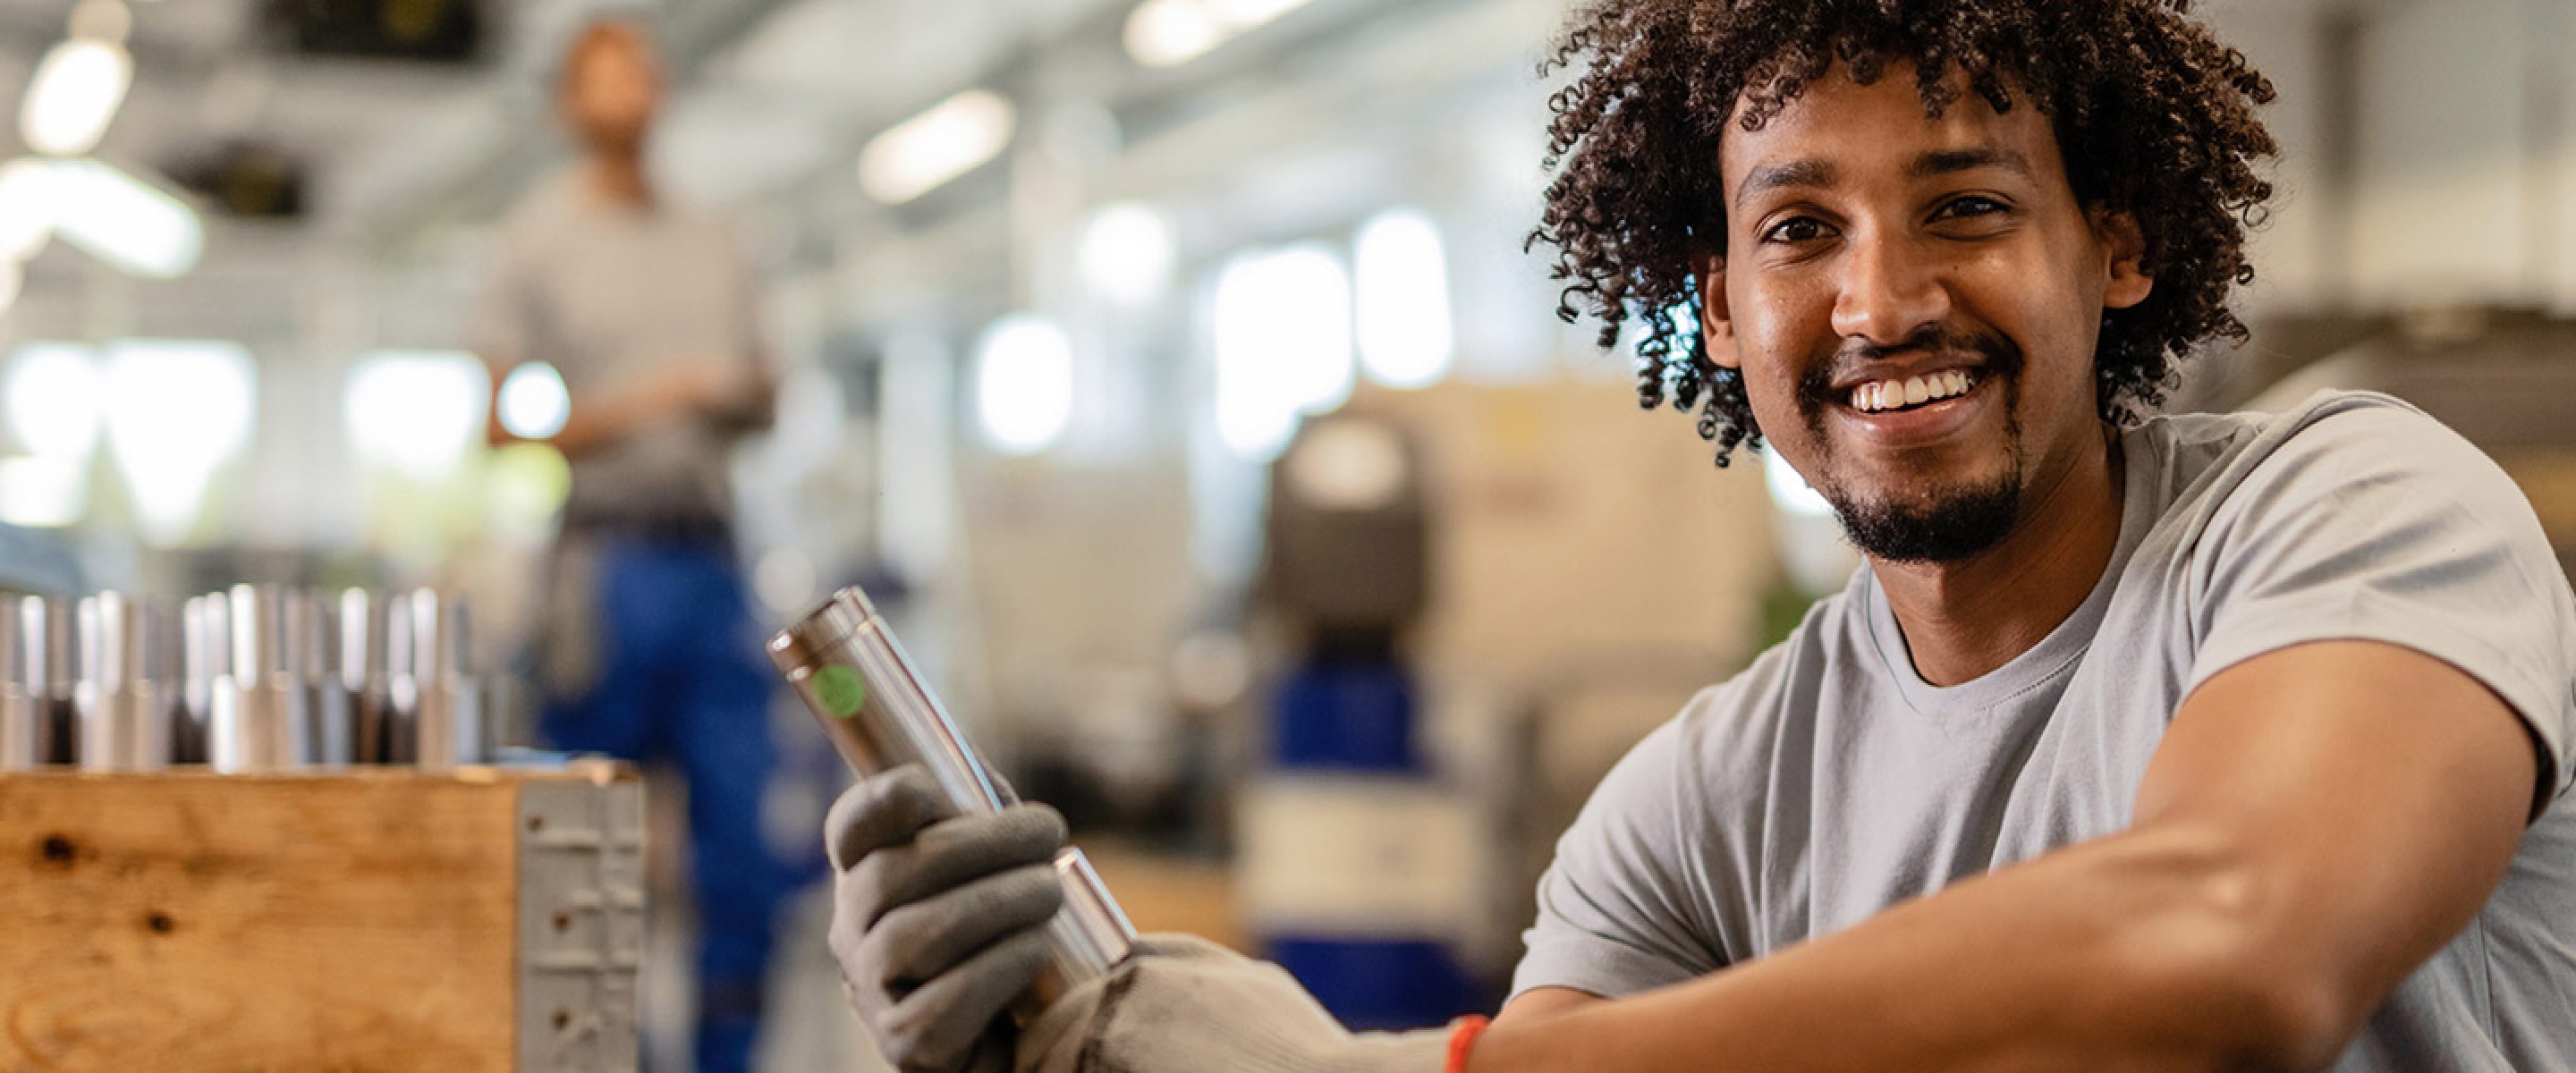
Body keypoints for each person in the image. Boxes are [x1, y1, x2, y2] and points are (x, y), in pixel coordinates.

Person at [818, 0, 2576, 1069]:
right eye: (1800, 230)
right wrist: (1066, 1026)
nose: (1884, 300)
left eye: (1964, 206)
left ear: (2113, 252)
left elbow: (2232, 946)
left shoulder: (2353, 507)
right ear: (1722, 310)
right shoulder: (1706, 793)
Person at [473, 18, 792, 1073]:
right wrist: (651, 400)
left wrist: (736, 394)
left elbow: (765, 393)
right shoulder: (536, 241)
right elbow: (502, 428)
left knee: (741, 857)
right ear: (570, 105)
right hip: (601, 573)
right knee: (584, 857)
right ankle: (612, 1059)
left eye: (640, 76)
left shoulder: (716, 237)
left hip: (712, 566)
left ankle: (725, 1059)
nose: (626, 96)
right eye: (602, 80)